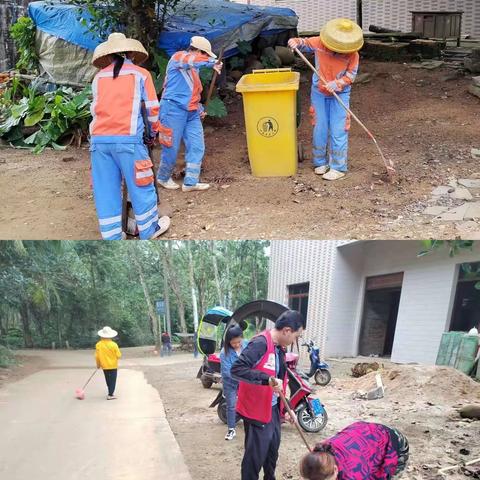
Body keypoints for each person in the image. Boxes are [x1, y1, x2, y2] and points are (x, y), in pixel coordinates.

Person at [90, 32, 170, 240]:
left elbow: (95, 109)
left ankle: (112, 236)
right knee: (141, 186)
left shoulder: (98, 78)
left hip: (99, 143)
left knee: (106, 191)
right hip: (128, 141)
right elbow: (153, 109)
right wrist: (152, 134)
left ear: (108, 56)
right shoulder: (141, 74)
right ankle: (148, 229)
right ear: (130, 54)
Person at [231, 310, 304, 480]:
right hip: (257, 412)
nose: (296, 340)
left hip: (273, 410)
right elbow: (237, 369)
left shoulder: (280, 349)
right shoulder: (260, 343)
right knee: (254, 458)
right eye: (296, 335)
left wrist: (288, 408)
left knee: (272, 453)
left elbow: (280, 382)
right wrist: (267, 379)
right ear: (286, 330)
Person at [288, 19, 363, 181]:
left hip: (340, 95)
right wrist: (294, 41)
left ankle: (338, 166)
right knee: (320, 126)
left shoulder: (353, 54)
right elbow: (304, 43)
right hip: (319, 93)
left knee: (339, 128)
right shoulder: (320, 43)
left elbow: (351, 75)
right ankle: (320, 162)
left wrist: (338, 83)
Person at [156, 36, 223, 192]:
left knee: (197, 145)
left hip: (191, 112)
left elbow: (192, 91)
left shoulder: (194, 69)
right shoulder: (179, 58)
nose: (206, 58)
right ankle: (163, 177)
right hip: (172, 110)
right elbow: (192, 60)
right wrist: (213, 63)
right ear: (198, 51)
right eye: (205, 54)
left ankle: (191, 182)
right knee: (170, 147)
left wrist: (199, 109)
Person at [299, 421, 410, 480]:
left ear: (336, 470)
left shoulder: (354, 474)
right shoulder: (319, 453)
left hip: (393, 445)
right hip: (366, 436)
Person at [219, 325, 248, 441]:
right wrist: (246, 377)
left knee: (247, 403)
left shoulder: (246, 344)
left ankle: (249, 426)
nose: (236, 345)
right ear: (228, 342)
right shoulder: (224, 353)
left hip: (245, 381)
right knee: (231, 406)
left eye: (238, 342)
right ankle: (231, 429)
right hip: (230, 383)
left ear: (242, 338)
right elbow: (227, 372)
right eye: (233, 343)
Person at [95, 326, 122, 400]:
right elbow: (119, 355)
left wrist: (98, 365)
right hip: (113, 365)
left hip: (104, 366)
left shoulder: (98, 345)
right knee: (113, 380)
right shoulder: (114, 345)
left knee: (108, 379)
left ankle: (110, 390)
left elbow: (97, 356)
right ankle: (110, 394)